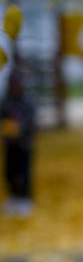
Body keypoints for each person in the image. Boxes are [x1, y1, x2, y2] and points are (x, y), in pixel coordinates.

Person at [1, 64, 37, 217]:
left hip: (24, 143)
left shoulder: (27, 101)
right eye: (12, 84)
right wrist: (6, 127)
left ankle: (25, 198)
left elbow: (31, 121)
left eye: (17, 84)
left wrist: (20, 128)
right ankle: (14, 196)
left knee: (24, 172)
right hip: (10, 143)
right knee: (9, 171)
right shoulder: (6, 101)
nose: (15, 87)